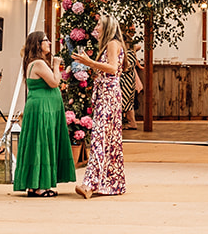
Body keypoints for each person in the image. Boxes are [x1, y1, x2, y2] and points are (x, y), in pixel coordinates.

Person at [15, 31, 76, 197]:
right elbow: (55, 82)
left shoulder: (34, 63)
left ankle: (35, 185)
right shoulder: (39, 63)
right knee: (42, 142)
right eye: (45, 40)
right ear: (37, 44)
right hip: (42, 108)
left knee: (39, 143)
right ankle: (40, 185)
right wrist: (56, 64)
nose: (49, 43)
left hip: (42, 106)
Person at [73, 13, 127, 198]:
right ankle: (111, 183)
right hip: (107, 93)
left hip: (109, 94)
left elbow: (112, 68)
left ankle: (90, 184)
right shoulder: (110, 44)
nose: (96, 29)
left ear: (107, 27)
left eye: (99, 25)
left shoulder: (112, 43)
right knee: (108, 140)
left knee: (100, 138)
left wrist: (90, 62)